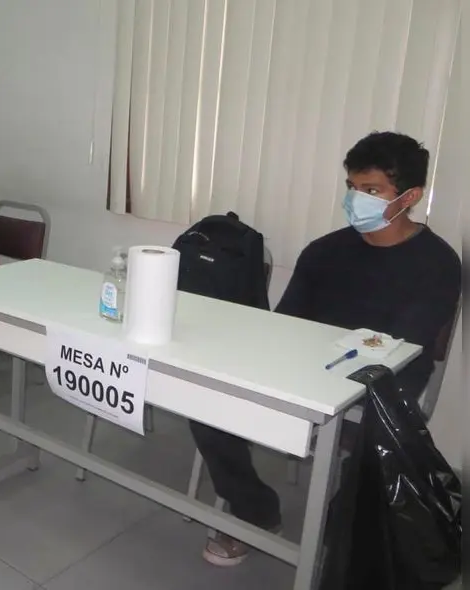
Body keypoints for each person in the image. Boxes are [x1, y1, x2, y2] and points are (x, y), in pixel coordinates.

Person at [191, 131, 461, 567]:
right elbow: (286, 324)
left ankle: (338, 538)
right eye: (352, 186)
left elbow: (405, 349)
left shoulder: (438, 263)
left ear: (410, 196)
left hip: (387, 381)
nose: (356, 199)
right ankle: (255, 512)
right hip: (309, 364)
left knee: (376, 439)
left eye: (371, 190)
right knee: (207, 399)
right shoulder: (325, 251)